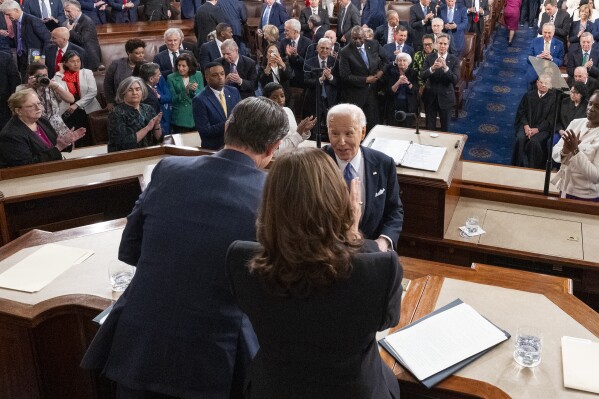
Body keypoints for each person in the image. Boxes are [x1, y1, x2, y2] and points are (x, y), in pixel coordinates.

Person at [81, 97, 288, 399]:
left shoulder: (169, 169)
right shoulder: (274, 195)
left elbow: (129, 250)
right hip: (214, 358)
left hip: (142, 346)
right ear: (274, 147)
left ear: (228, 127)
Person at [226, 147, 402, 399]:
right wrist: (353, 233)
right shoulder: (381, 268)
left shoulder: (240, 259)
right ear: (337, 199)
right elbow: (386, 321)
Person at [324, 103, 403, 251]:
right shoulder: (315, 165)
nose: (341, 142)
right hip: (327, 254)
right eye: (334, 134)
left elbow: (394, 210)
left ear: (363, 132)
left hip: (372, 253)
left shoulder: (384, 164)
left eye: (348, 133)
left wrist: (384, 241)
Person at [0, 88, 85, 167]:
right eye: (31, 106)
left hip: (54, 167)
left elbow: (55, 146)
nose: (38, 108)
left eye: (39, 103)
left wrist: (66, 142)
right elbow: (26, 166)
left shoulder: (42, 121)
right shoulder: (11, 134)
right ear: (18, 111)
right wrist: (59, 147)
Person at [338, 26, 388, 133]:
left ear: (364, 36)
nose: (357, 41)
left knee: (373, 125)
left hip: (372, 94)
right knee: (356, 128)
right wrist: (365, 80)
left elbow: (386, 60)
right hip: (355, 95)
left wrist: (380, 72)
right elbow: (345, 76)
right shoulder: (344, 52)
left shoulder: (374, 44)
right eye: (354, 38)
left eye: (360, 38)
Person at [551, 91, 599, 201]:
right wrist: (565, 151)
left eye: (597, 107)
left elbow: (595, 176)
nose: (591, 108)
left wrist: (575, 151)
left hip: (585, 196)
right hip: (565, 188)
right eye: (590, 104)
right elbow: (555, 151)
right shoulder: (576, 123)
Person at [53, 50, 100, 146]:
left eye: (78, 61)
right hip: (69, 112)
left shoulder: (86, 73)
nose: (76, 64)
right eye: (72, 61)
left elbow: (93, 92)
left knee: (89, 139)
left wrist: (77, 104)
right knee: (75, 140)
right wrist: (60, 72)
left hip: (87, 109)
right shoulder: (60, 76)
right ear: (65, 63)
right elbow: (56, 89)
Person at [512, 74, 557, 169]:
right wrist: (526, 126)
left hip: (543, 129)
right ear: (537, 83)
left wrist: (537, 129)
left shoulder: (553, 99)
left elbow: (551, 119)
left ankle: (534, 169)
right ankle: (517, 167)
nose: (544, 85)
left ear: (550, 85)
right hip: (527, 125)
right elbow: (522, 112)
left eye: (546, 83)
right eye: (541, 82)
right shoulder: (529, 95)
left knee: (534, 142)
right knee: (520, 138)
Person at [193, 62, 241, 149]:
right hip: (214, 150)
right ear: (207, 78)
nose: (220, 77)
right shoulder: (199, 100)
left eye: (222, 73)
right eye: (215, 75)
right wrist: (228, 123)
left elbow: (242, 117)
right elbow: (204, 130)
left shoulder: (234, 91)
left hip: (236, 146)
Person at [107, 76, 162, 152]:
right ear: (123, 93)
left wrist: (157, 125)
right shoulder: (116, 113)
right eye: (130, 90)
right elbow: (123, 144)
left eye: (138, 89)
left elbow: (159, 139)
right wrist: (147, 128)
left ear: (142, 92)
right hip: (126, 157)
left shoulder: (148, 109)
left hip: (150, 153)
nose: (134, 93)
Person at [17, 63, 73, 137]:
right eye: (39, 76)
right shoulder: (21, 89)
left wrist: (54, 86)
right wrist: (30, 87)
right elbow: (21, 107)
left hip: (57, 126)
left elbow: (71, 99)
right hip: (37, 127)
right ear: (30, 76)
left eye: (45, 75)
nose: (43, 78)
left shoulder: (53, 85)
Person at [0, 1, 51, 77]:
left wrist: (43, 56)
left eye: (8, 14)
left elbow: (47, 39)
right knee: (25, 84)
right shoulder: (14, 22)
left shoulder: (33, 20)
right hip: (22, 59)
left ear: (16, 10)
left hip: (36, 59)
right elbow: (19, 41)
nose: (7, 17)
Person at [421, 33, 459, 132]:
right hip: (430, 98)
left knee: (445, 129)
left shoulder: (454, 59)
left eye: (445, 44)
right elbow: (422, 76)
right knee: (429, 128)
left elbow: (455, 79)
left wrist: (446, 68)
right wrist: (432, 68)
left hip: (446, 98)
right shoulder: (429, 58)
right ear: (436, 44)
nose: (442, 46)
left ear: (448, 45)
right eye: (440, 43)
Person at [263, 82, 315, 153]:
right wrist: (299, 133)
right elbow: (276, 150)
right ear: (266, 99)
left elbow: (296, 139)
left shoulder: (287, 110)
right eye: (275, 97)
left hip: (292, 154)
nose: (280, 100)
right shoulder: (265, 118)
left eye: (282, 96)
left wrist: (303, 130)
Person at [303, 38, 338, 128]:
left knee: (331, 128)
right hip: (314, 100)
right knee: (314, 129)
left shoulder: (335, 62)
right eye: (322, 48)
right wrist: (320, 79)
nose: (324, 50)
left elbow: (340, 82)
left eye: (327, 48)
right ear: (317, 48)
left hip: (330, 100)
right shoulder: (308, 62)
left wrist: (330, 77)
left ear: (330, 50)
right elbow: (306, 81)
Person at [104, 39, 146, 110]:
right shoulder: (116, 64)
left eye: (142, 53)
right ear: (128, 53)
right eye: (137, 53)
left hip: (141, 103)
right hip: (119, 103)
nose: (141, 55)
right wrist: (109, 102)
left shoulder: (146, 66)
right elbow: (108, 83)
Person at [167, 53, 204, 133]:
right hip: (180, 117)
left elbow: (202, 95)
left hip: (196, 116)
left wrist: (194, 90)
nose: (180, 68)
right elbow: (173, 99)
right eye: (179, 65)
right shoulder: (171, 77)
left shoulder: (198, 75)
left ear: (190, 67)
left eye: (184, 66)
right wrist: (185, 91)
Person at [63, 0, 102, 72]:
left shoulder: (87, 21)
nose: (66, 14)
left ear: (77, 10)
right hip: (78, 58)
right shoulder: (69, 21)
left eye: (68, 11)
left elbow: (82, 40)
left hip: (89, 59)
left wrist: (70, 31)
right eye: (65, 11)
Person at [134, 62, 172, 134]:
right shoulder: (150, 97)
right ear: (151, 79)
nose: (160, 76)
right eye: (158, 75)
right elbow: (152, 120)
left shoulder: (143, 88)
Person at [385, 52, 419, 127]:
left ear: (408, 62)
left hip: (409, 106)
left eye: (404, 60)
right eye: (400, 60)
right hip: (394, 105)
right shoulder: (392, 72)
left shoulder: (413, 73)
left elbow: (415, 90)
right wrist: (398, 82)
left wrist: (407, 82)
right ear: (397, 62)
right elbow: (389, 91)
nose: (402, 62)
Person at [279, 19, 311, 89]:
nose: (284, 32)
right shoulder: (283, 42)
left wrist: (296, 56)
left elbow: (308, 64)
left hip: (301, 79)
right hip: (286, 79)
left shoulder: (308, 43)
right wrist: (288, 56)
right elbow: (280, 60)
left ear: (295, 31)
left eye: (287, 30)